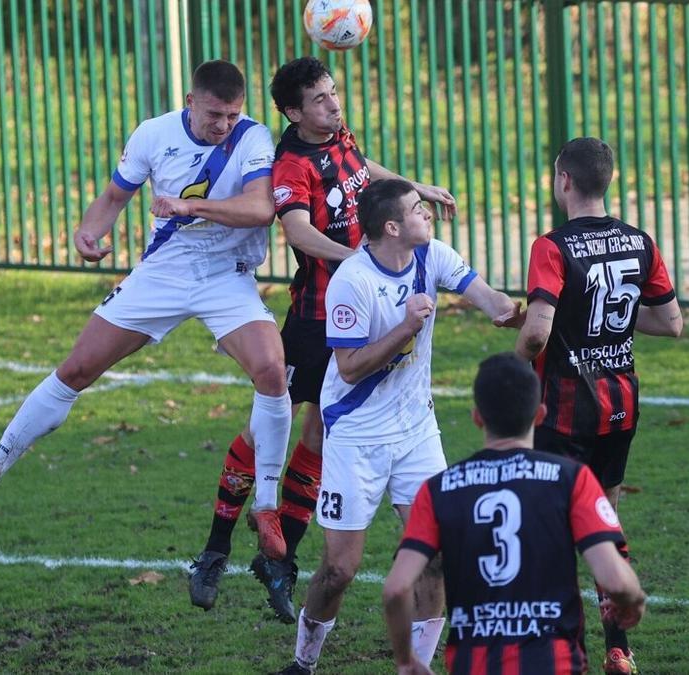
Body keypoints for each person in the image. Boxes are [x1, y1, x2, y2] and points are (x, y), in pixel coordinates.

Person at [0, 60, 293, 560]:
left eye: (233, 115)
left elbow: (260, 209)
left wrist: (189, 207)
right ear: (190, 101)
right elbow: (113, 197)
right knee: (77, 367)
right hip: (162, 274)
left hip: (225, 276)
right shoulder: (153, 134)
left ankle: (267, 507)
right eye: (215, 114)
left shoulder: (253, 139)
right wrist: (88, 233)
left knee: (272, 370)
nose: (224, 125)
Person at [187, 57, 459, 623]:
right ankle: (216, 546)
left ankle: (280, 558)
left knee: (319, 431)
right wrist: (359, 258)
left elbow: (362, 170)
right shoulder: (291, 163)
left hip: (360, 310)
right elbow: (299, 232)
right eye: (320, 100)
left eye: (334, 94)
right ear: (293, 111)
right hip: (316, 320)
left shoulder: (341, 135)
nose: (334, 106)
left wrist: (413, 187)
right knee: (268, 426)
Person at [274, 178, 521, 675]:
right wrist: (405, 326)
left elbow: (494, 303)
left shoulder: (434, 257)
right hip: (356, 436)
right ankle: (304, 662)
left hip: (416, 433)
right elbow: (348, 367)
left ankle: (417, 668)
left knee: (436, 555)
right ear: (391, 227)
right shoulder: (353, 281)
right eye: (417, 209)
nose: (428, 213)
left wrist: (536, 314)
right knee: (340, 570)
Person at [514, 136, 680, 674]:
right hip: (620, 404)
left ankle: (564, 646)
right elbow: (670, 323)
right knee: (603, 518)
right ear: (606, 180)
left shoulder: (552, 246)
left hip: (564, 407)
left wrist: (517, 370)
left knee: (553, 524)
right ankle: (619, 647)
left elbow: (537, 332)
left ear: (563, 180)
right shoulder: (639, 241)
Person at [383, 353, 646, 675]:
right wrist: (632, 602)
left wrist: (407, 660)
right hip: (555, 664)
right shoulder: (571, 480)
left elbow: (396, 589)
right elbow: (616, 579)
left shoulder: (438, 490)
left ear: (477, 417)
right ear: (539, 415)